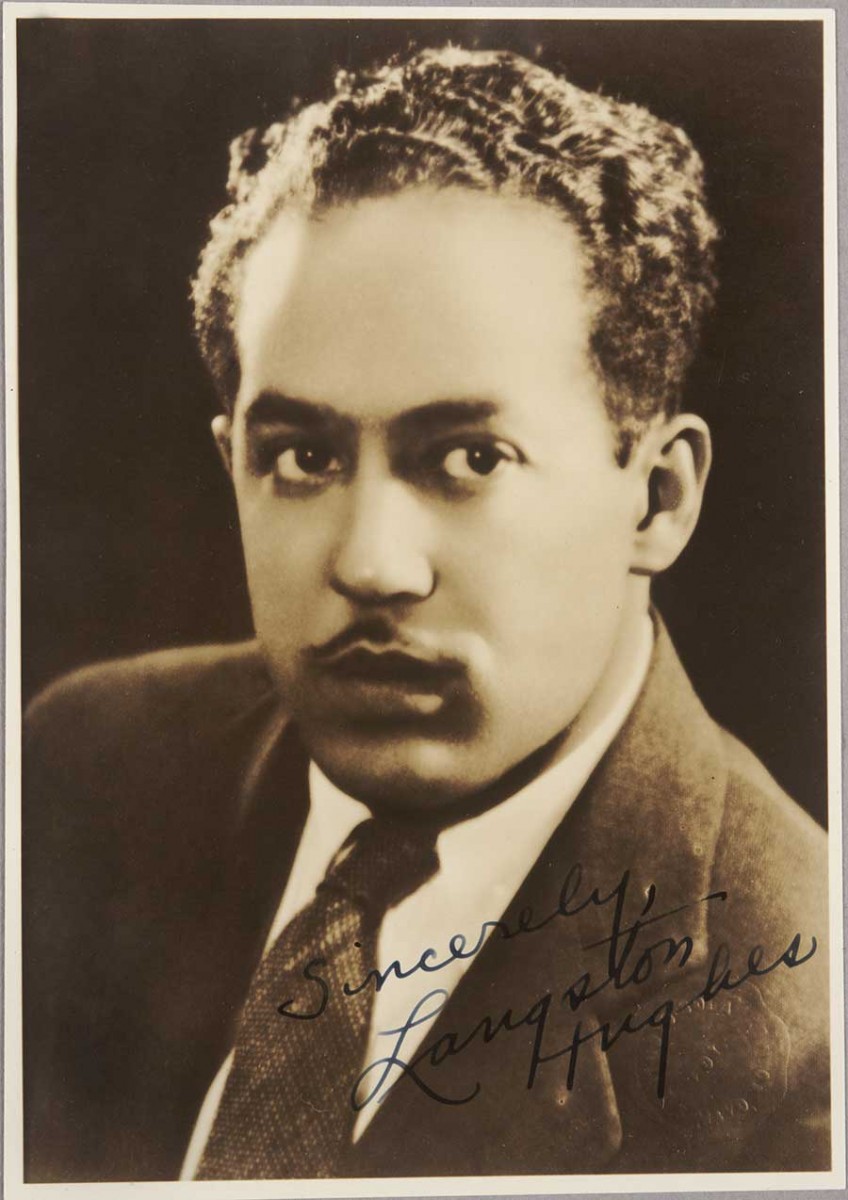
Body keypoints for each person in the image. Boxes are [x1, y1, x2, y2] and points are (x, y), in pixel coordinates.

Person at [22, 46, 830, 1182]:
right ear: (231, 463)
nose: (371, 564)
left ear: (656, 499)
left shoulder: (808, 1059)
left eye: (468, 457)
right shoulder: (77, 770)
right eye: (301, 457)